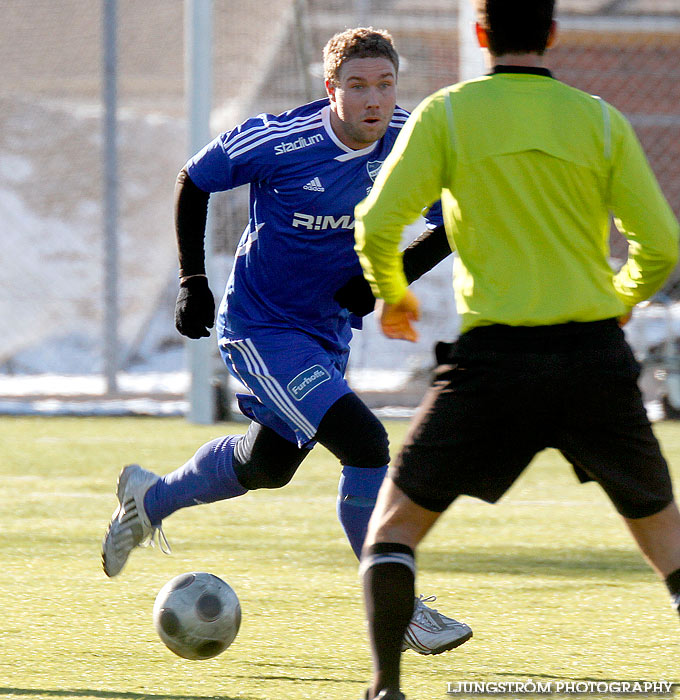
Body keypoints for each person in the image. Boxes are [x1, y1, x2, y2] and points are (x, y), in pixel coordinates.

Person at [101, 27, 472, 656]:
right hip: (262, 328)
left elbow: (460, 217)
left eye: (384, 85)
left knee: (265, 466)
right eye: (357, 86)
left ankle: (150, 498)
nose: (372, 100)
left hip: (325, 334)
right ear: (331, 90)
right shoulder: (280, 140)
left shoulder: (415, 140)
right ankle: (399, 606)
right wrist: (194, 280)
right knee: (365, 442)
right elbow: (193, 181)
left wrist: (389, 278)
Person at [353, 2, 680, 698]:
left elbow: (379, 223)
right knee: (668, 544)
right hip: (594, 359)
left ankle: (385, 689)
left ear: (480, 35)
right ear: (553, 34)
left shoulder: (448, 115)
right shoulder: (598, 120)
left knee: (394, 528)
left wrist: (394, 293)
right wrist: (620, 298)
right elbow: (662, 248)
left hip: (494, 364)